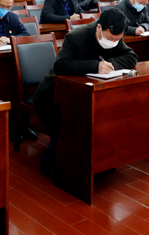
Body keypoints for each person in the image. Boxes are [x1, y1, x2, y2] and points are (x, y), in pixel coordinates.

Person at [33, 9, 137, 176]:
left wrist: (109, 64)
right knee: (74, 120)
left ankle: (98, 161)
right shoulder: (76, 36)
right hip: (53, 93)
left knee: (101, 115)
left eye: (117, 40)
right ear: (99, 27)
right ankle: (51, 162)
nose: (113, 42)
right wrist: (95, 66)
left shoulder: (115, 34)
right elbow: (61, 65)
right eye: (110, 39)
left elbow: (131, 57)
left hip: (85, 92)